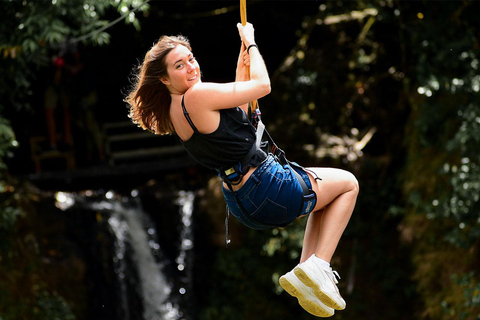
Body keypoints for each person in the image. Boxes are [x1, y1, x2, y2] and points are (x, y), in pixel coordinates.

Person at [125, 22, 359, 318]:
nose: (191, 68)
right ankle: (319, 265)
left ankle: (307, 271)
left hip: (244, 203)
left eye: (191, 59)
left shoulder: (176, 112)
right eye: (179, 65)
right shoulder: (196, 96)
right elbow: (263, 87)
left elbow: (242, 111)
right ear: (164, 78)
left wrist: (242, 61)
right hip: (268, 186)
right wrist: (251, 43)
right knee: (349, 184)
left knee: (321, 200)